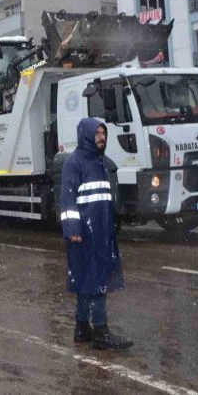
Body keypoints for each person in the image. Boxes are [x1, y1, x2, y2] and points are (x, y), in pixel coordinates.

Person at [60, 118, 132, 350]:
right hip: (84, 233)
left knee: (87, 278)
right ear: (87, 135)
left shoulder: (100, 161)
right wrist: (73, 230)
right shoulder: (74, 162)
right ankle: (101, 332)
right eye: (97, 134)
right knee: (97, 279)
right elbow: (68, 199)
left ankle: (82, 328)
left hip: (101, 231)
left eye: (103, 133)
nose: (101, 137)